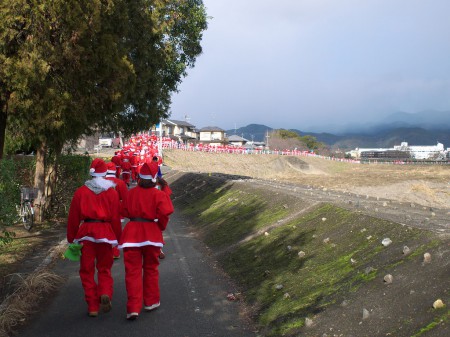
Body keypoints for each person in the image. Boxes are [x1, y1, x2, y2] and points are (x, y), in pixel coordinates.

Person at [66, 158, 122, 317]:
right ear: (105, 173)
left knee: (86, 271)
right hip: (105, 233)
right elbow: (116, 219)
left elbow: (73, 218)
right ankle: (105, 292)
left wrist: (71, 238)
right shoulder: (111, 192)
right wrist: (118, 239)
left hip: (86, 234)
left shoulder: (80, 192)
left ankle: (92, 306)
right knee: (104, 268)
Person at [119, 161, 174, 320]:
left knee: (132, 272)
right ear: (154, 178)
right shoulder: (159, 194)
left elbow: (123, 210)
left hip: (131, 235)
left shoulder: (131, 193)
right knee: (151, 269)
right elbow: (165, 213)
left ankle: (133, 307)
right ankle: (150, 301)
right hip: (151, 234)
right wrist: (160, 227)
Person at [105, 161, 129, 259]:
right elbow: (125, 198)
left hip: (103, 208)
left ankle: (105, 251)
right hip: (117, 208)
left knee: (105, 230)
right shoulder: (120, 182)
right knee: (116, 230)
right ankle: (115, 251)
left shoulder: (100, 182)